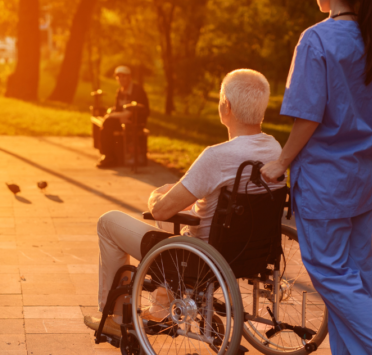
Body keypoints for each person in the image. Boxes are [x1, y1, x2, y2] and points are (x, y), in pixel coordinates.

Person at [260, 0, 372, 355]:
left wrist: (281, 161)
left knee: (333, 278)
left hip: (325, 182)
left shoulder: (317, 39)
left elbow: (309, 115)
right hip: (360, 179)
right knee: (354, 279)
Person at [85, 69, 286, 336]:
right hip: (249, 252)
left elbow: (161, 209)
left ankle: (118, 318)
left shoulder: (216, 157)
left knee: (108, 222)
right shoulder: (275, 150)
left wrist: (158, 194)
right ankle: (161, 306)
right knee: (182, 210)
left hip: (198, 257)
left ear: (226, 106)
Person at [97, 66, 150, 168]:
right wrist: (112, 113)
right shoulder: (120, 91)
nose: (121, 79)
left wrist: (113, 116)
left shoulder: (137, 90)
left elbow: (130, 113)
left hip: (136, 122)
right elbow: (118, 109)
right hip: (124, 120)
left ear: (129, 77)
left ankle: (109, 157)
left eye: (124, 76)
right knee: (106, 124)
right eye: (119, 77)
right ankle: (108, 155)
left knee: (108, 122)